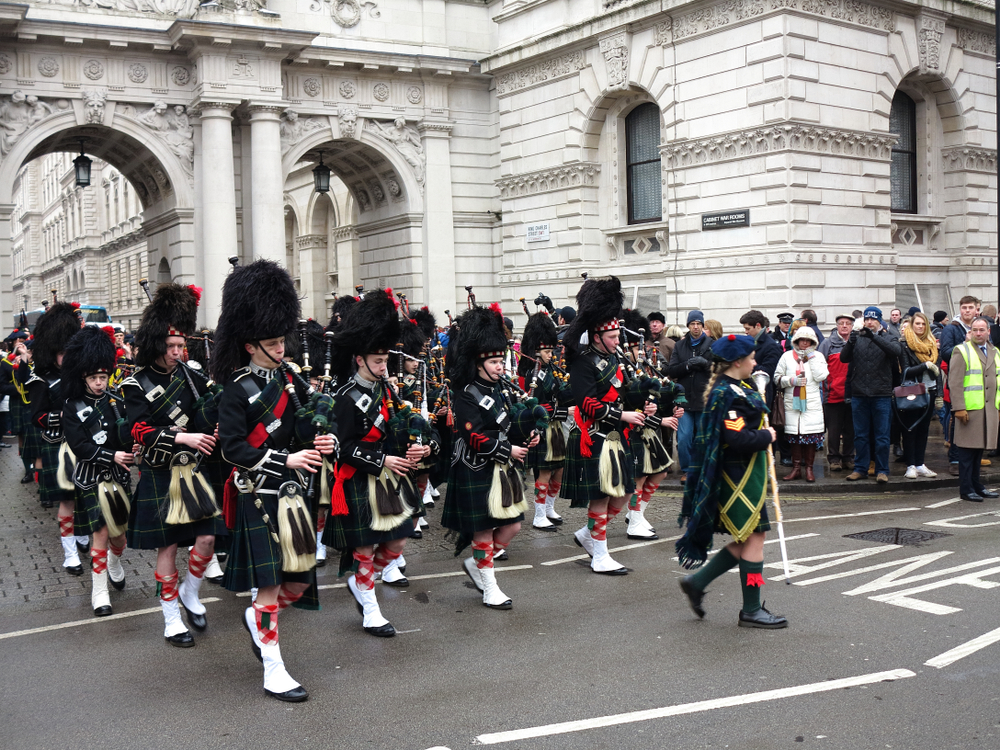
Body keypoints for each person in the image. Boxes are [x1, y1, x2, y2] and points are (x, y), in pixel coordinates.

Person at [213, 260, 337, 702]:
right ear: (250, 346)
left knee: (299, 581)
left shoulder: (292, 380)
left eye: (282, 340)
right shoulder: (236, 390)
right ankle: (273, 666)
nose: (281, 349)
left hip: (295, 494)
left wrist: (323, 434)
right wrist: (286, 458)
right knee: (268, 584)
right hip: (258, 495)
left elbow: (305, 427)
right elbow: (232, 448)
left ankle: (258, 618)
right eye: (272, 343)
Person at [122, 283, 224, 648]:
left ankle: (190, 593)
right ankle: (170, 619)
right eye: (172, 347)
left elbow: (212, 411)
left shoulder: (193, 377)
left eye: (182, 346)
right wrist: (183, 437)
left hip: (195, 471)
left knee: (209, 538)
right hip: (161, 472)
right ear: (155, 346)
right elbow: (138, 428)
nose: (179, 353)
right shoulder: (135, 385)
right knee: (167, 549)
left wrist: (216, 416)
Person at [324, 290, 427, 636]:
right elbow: (342, 448)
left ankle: (360, 581)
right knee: (365, 547)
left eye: (385, 361)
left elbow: (398, 431)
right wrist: (383, 459)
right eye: (379, 361)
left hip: (388, 479)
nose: (385, 367)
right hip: (358, 478)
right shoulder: (343, 398)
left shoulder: (388, 392)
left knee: (399, 540)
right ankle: (370, 605)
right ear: (360, 360)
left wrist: (416, 448)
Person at [676, 334, 786, 629]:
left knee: (749, 539)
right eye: (751, 358)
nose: (755, 362)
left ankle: (697, 583)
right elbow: (735, 438)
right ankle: (750, 609)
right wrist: (767, 436)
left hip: (746, 476)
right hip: (737, 478)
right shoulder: (726, 395)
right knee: (754, 539)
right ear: (737, 362)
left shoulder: (735, 388)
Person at [443, 304, 539, 607]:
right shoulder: (466, 394)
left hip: (500, 467)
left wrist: (527, 435)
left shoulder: (499, 390)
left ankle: (477, 565)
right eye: (495, 361)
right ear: (480, 362)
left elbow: (506, 425)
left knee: (512, 525)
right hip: (476, 467)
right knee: (483, 530)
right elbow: (472, 436)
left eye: (502, 360)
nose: (501, 366)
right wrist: (507, 449)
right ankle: (489, 586)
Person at [561, 276, 652, 574]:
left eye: (617, 337)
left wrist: (645, 401)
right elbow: (587, 403)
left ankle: (588, 535)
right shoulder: (582, 362)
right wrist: (622, 415)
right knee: (600, 498)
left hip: (615, 437)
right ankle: (599, 555)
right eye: (612, 337)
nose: (617, 341)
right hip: (593, 435)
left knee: (625, 492)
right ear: (598, 335)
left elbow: (625, 392)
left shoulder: (615, 358)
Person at [61, 325, 134, 617]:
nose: (99, 383)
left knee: (120, 537)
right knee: (100, 533)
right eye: (94, 378)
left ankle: (115, 562)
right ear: (84, 376)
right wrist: (111, 454)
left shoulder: (117, 400)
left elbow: (126, 436)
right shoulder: (72, 406)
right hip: (92, 478)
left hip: (119, 477)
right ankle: (99, 591)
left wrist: (133, 443)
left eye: (103, 377)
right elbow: (79, 446)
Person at [25, 302, 88, 569]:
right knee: (66, 498)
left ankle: (83, 534)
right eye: (61, 353)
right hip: (58, 443)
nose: (65, 357)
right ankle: (69, 552)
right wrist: (62, 418)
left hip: (84, 443)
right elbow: (37, 417)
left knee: (85, 494)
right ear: (52, 353)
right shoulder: (40, 380)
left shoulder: (82, 376)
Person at [519, 311, 569, 531]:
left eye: (552, 350)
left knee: (559, 469)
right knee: (545, 471)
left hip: (556, 426)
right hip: (543, 427)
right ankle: (539, 514)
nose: (552, 354)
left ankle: (549, 507)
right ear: (536, 352)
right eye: (548, 351)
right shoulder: (534, 373)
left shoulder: (551, 369)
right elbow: (535, 401)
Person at [840, 306, 901, 484]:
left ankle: (882, 470)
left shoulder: (888, 337)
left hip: (881, 394)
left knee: (882, 436)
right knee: (860, 435)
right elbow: (844, 359)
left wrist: (873, 336)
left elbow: (895, 351)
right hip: (860, 394)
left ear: (880, 321)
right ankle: (861, 469)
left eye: (873, 319)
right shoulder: (857, 338)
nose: (869, 322)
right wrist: (850, 342)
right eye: (867, 319)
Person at [948, 317, 999, 501]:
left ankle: (977, 486)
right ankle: (966, 488)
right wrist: (959, 408)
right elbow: (954, 383)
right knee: (966, 454)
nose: (978, 333)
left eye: (981, 330)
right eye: (975, 330)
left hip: (988, 410)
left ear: (988, 332)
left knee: (979, 452)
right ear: (970, 331)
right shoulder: (961, 351)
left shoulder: (995, 351)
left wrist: (998, 407)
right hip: (969, 411)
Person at [773, 326, 828, 481]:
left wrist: (812, 358)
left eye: (808, 340)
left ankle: (809, 469)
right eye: (801, 340)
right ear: (796, 340)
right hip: (792, 404)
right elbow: (777, 377)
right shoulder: (787, 356)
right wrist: (791, 380)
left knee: (810, 437)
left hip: (811, 404)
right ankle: (796, 468)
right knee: (794, 436)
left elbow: (821, 376)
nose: (804, 343)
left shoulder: (818, 356)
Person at [667, 310, 714, 481]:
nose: (695, 327)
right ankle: (687, 470)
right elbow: (671, 370)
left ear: (703, 325)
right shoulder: (680, 346)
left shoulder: (712, 344)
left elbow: (718, 369)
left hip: (704, 397)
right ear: (688, 326)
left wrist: (704, 365)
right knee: (685, 437)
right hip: (683, 397)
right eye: (692, 324)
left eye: (699, 324)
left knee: (702, 437)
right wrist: (687, 366)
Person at [897, 312, 940, 480]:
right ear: (912, 325)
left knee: (924, 429)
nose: (920, 327)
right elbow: (906, 371)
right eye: (917, 324)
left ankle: (921, 464)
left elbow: (938, 374)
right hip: (913, 392)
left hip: (930, 391)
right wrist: (925, 365)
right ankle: (911, 465)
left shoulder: (932, 345)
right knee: (910, 429)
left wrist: (940, 395)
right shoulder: (905, 345)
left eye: (923, 324)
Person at [817, 315, 855, 472]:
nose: (844, 326)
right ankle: (833, 459)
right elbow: (819, 366)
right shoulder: (827, 344)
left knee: (850, 430)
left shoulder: (856, 343)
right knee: (833, 430)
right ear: (837, 326)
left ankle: (848, 458)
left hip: (852, 394)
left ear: (852, 326)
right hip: (832, 394)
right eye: (841, 324)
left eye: (848, 324)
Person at [741, 310, 782, 407]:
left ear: (758, 325)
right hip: (747, 392)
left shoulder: (771, 346)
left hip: (762, 395)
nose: (746, 332)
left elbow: (768, 372)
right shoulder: (748, 342)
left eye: (748, 329)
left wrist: (746, 364)